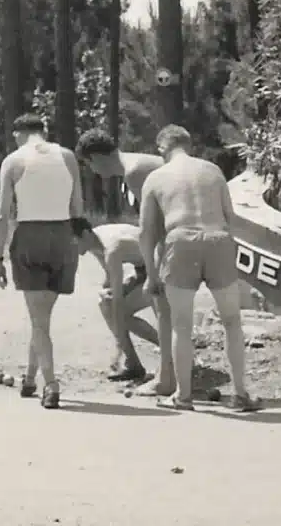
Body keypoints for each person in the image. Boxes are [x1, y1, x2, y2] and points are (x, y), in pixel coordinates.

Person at [138, 124, 260, 412]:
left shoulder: (155, 177)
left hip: (180, 240)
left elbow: (146, 232)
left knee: (181, 324)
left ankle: (183, 396)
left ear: (161, 148)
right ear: (189, 144)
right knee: (232, 321)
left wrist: (151, 275)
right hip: (218, 239)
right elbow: (230, 216)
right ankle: (241, 395)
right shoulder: (213, 171)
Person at [0, 113, 87, 410]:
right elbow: (78, 206)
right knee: (42, 318)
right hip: (62, 235)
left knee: (39, 320)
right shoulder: (68, 156)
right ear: (43, 131)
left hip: (30, 235)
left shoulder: (13, 160)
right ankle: (30, 378)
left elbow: (1, 215)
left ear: (18, 134)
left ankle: (51, 384)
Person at [76, 129, 175, 398]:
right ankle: (150, 364)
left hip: (172, 249)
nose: (93, 172)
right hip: (163, 251)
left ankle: (173, 372)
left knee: (159, 306)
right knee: (117, 303)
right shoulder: (135, 165)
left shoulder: (134, 173)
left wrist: (154, 270)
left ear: (96, 157)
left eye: (89, 165)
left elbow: (155, 225)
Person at [76, 223, 159, 382]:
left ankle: (172, 352)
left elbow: (118, 301)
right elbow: (110, 279)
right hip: (143, 268)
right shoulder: (94, 241)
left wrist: (118, 349)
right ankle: (133, 362)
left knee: (119, 312)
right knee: (106, 303)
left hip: (160, 270)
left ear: (85, 234)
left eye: (73, 242)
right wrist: (108, 292)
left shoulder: (111, 248)